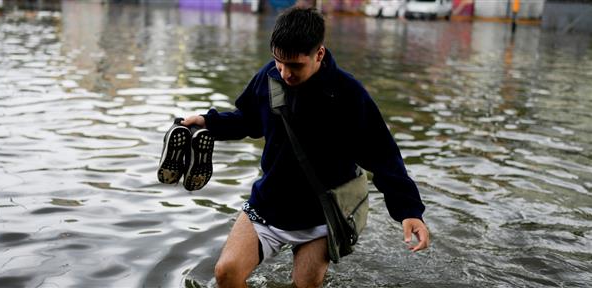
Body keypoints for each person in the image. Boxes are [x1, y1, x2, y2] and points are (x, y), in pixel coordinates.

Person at [181, 7, 430, 288]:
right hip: (269, 204)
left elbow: (382, 155)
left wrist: (409, 211)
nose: (285, 73)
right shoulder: (268, 77)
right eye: (279, 62)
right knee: (226, 273)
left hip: (319, 215)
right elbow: (248, 120)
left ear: (319, 54)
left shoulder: (348, 94)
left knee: (305, 286)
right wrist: (208, 122)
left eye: (295, 66)